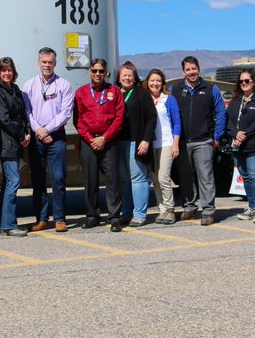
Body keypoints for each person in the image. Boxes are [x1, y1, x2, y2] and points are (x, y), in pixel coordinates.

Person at [168, 56, 226, 226]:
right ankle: (190, 207)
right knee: (186, 177)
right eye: (188, 69)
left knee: (205, 177)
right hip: (182, 142)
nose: (191, 72)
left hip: (203, 141)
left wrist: (217, 137)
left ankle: (208, 211)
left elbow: (221, 113)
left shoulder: (211, 89)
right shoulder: (174, 90)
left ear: (199, 69)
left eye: (194, 69)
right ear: (183, 72)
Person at [21, 46, 73, 232]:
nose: (47, 65)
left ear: (55, 63)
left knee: (58, 179)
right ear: (38, 63)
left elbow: (66, 112)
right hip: (37, 137)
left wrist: (48, 129)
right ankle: (41, 219)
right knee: (38, 179)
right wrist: (39, 130)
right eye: (44, 62)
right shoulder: (29, 85)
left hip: (56, 136)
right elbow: (26, 111)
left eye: (50, 62)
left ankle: (59, 219)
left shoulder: (64, 85)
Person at [73, 57, 125, 231]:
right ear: (89, 72)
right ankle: (92, 216)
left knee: (112, 180)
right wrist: (90, 139)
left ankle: (114, 216)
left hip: (109, 142)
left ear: (106, 73)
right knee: (90, 181)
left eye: (101, 71)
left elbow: (119, 118)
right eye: (94, 71)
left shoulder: (115, 91)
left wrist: (104, 138)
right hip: (88, 143)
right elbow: (78, 120)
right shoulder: (81, 92)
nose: (97, 74)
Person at [0, 57, 31, 237]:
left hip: (16, 140)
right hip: (7, 142)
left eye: (10, 70)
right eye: (4, 70)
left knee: (9, 182)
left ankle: (4, 223)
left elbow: (23, 114)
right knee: (13, 181)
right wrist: (21, 135)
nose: (7, 73)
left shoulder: (14, 89)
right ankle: (9, 225)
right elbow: (3, 119)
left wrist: (27, 131)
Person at [228, 71, 255, 224]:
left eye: (247, 80)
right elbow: (229, 121)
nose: (244, 83)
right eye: (241, 81)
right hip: (238, 146)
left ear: (254, 82)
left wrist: (245, 134)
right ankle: (251, 207)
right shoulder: (235, 100)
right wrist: (235, 134)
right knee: (245, 177)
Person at [116, 61, 156, 227]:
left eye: (130, 75)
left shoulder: (142, 94)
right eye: (124, 75)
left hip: (136, 142)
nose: (127, 78)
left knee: (138, 178)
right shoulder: (115, 92)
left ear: (135, 77)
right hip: (118, 142)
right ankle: (127, 212)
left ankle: (139, 214)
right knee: (124, 180)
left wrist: (146, 140)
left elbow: (152, 118)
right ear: (119, 77)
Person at [144, 69, 181, 225]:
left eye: (158, 80)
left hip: (166, 143)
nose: (155, 83)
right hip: (150, 145)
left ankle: (170, 209)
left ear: (163, 83)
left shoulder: (169, 99)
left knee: (163, 178)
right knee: (155, 180)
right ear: (147, 82)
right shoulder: (145, 99)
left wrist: (175, 143)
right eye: (152, 80)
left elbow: (177, 122)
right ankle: (162, 209)